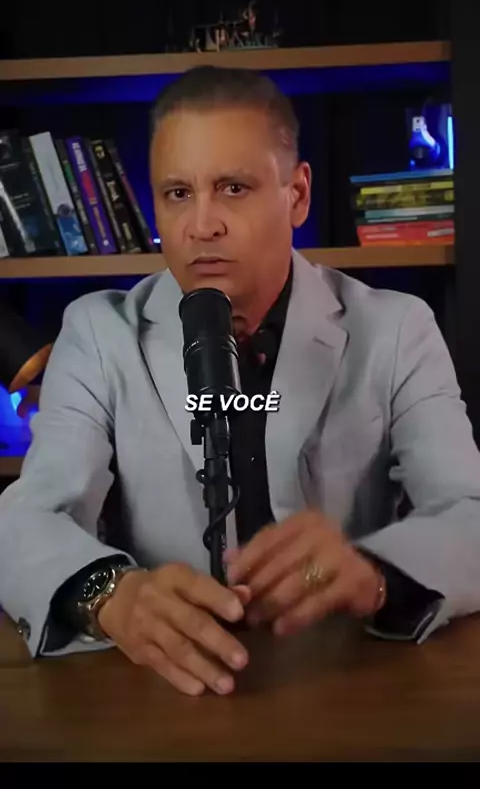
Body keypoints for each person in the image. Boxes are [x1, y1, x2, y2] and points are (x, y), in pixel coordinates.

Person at [1, 66, 480, 698]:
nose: (202, 225)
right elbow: (25, 519)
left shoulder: (397, 329)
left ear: (297, 194)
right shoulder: (97, 332)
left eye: (233, 187)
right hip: (164, 692)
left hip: (347, 682)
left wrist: (374, 575)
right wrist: (111, 594)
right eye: (178, 193)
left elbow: (470, 512)